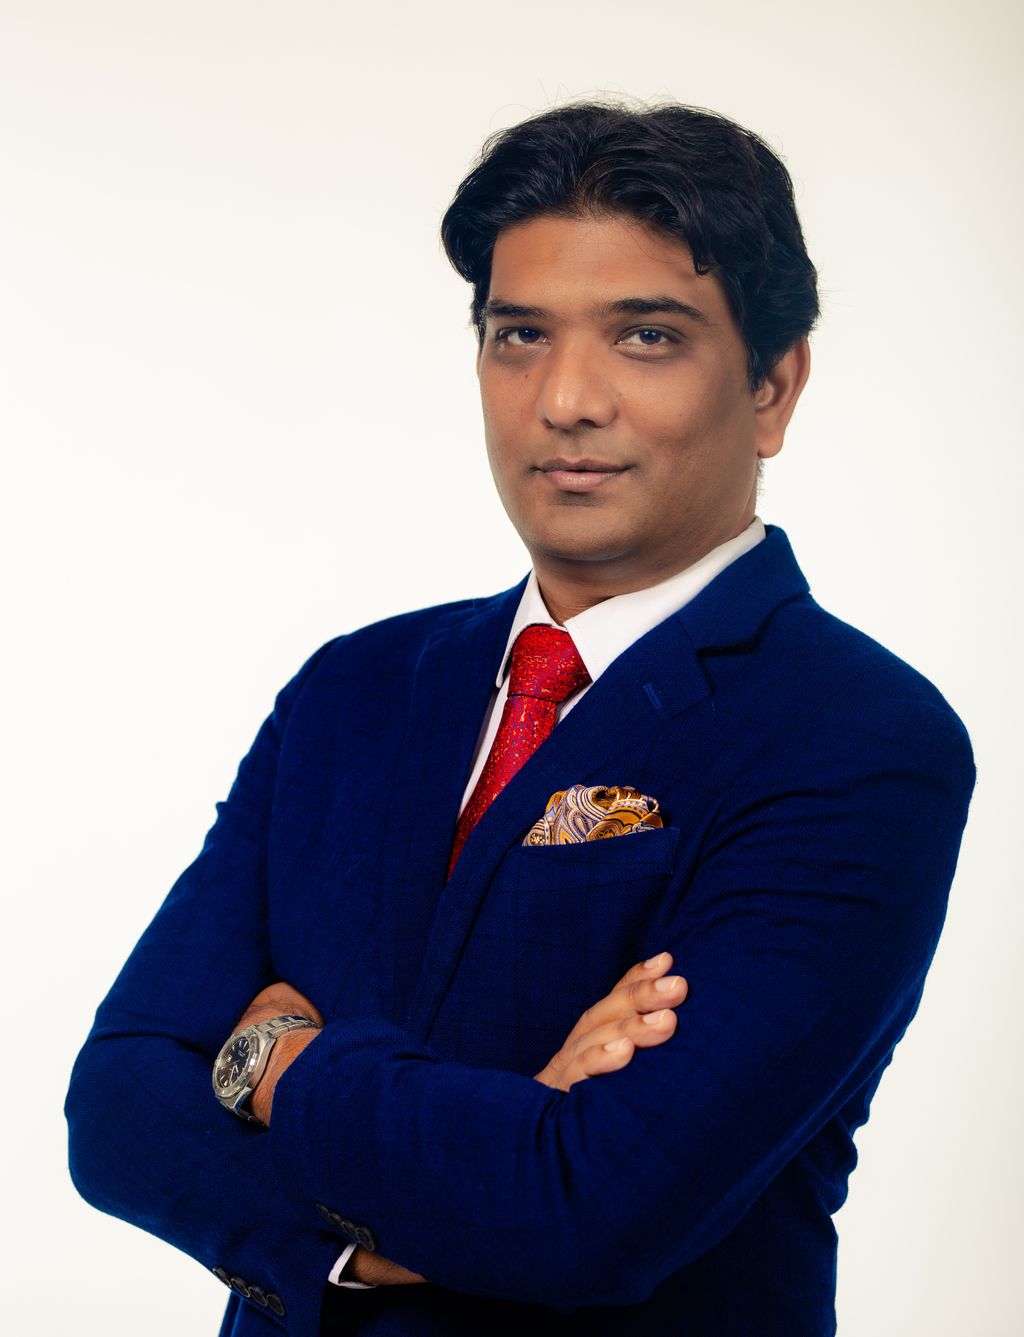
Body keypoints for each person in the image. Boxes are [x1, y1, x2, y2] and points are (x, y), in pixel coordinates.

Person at [65, 100, 975, 1337]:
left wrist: (275, 1060)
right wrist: (364, 1245)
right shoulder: (353, 688)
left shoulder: (857, 738)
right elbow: (119, 1100)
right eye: (519, 335)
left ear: (771, 386)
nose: (565, 398)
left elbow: (588, 1209)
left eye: (645, 336)